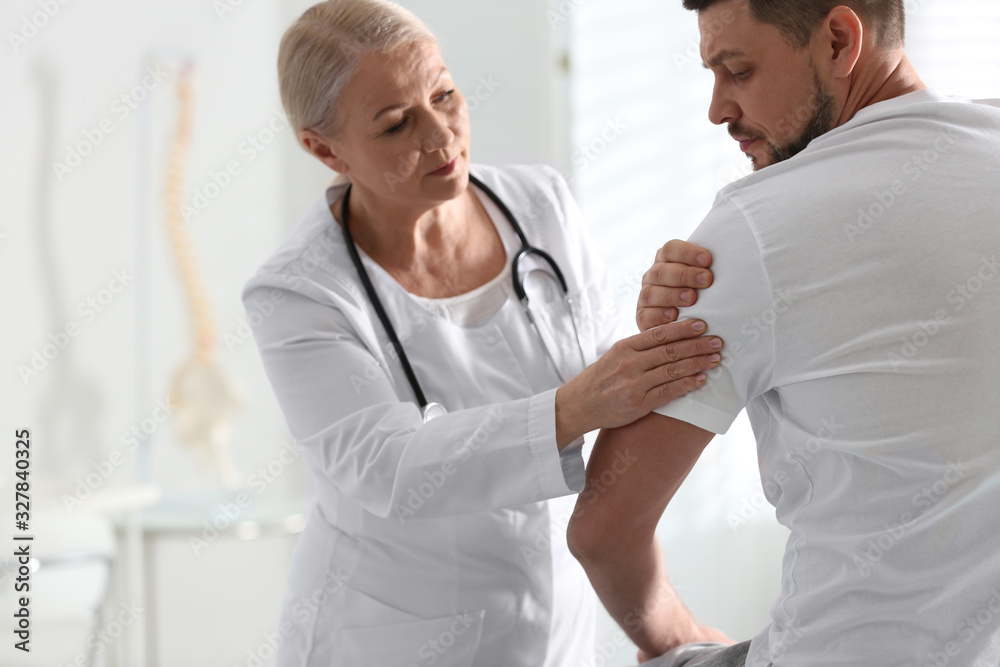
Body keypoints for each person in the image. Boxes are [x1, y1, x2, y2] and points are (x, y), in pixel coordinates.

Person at [241, 1, 726, 665]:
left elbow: (617, 389)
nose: (441, 136)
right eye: (396, 124)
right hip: (388, 639)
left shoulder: (542, 206)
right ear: (324, 149)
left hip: (551, 624)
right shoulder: (298, 293)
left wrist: (655, 615)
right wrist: (573, 406)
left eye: (444, 94)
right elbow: (387, 467)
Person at [566, 1, 1000, 666]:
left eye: (737, 71)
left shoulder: (748, 229)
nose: (718, 108)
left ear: (837, 39)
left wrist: (675, 644)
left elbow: (603, 528)